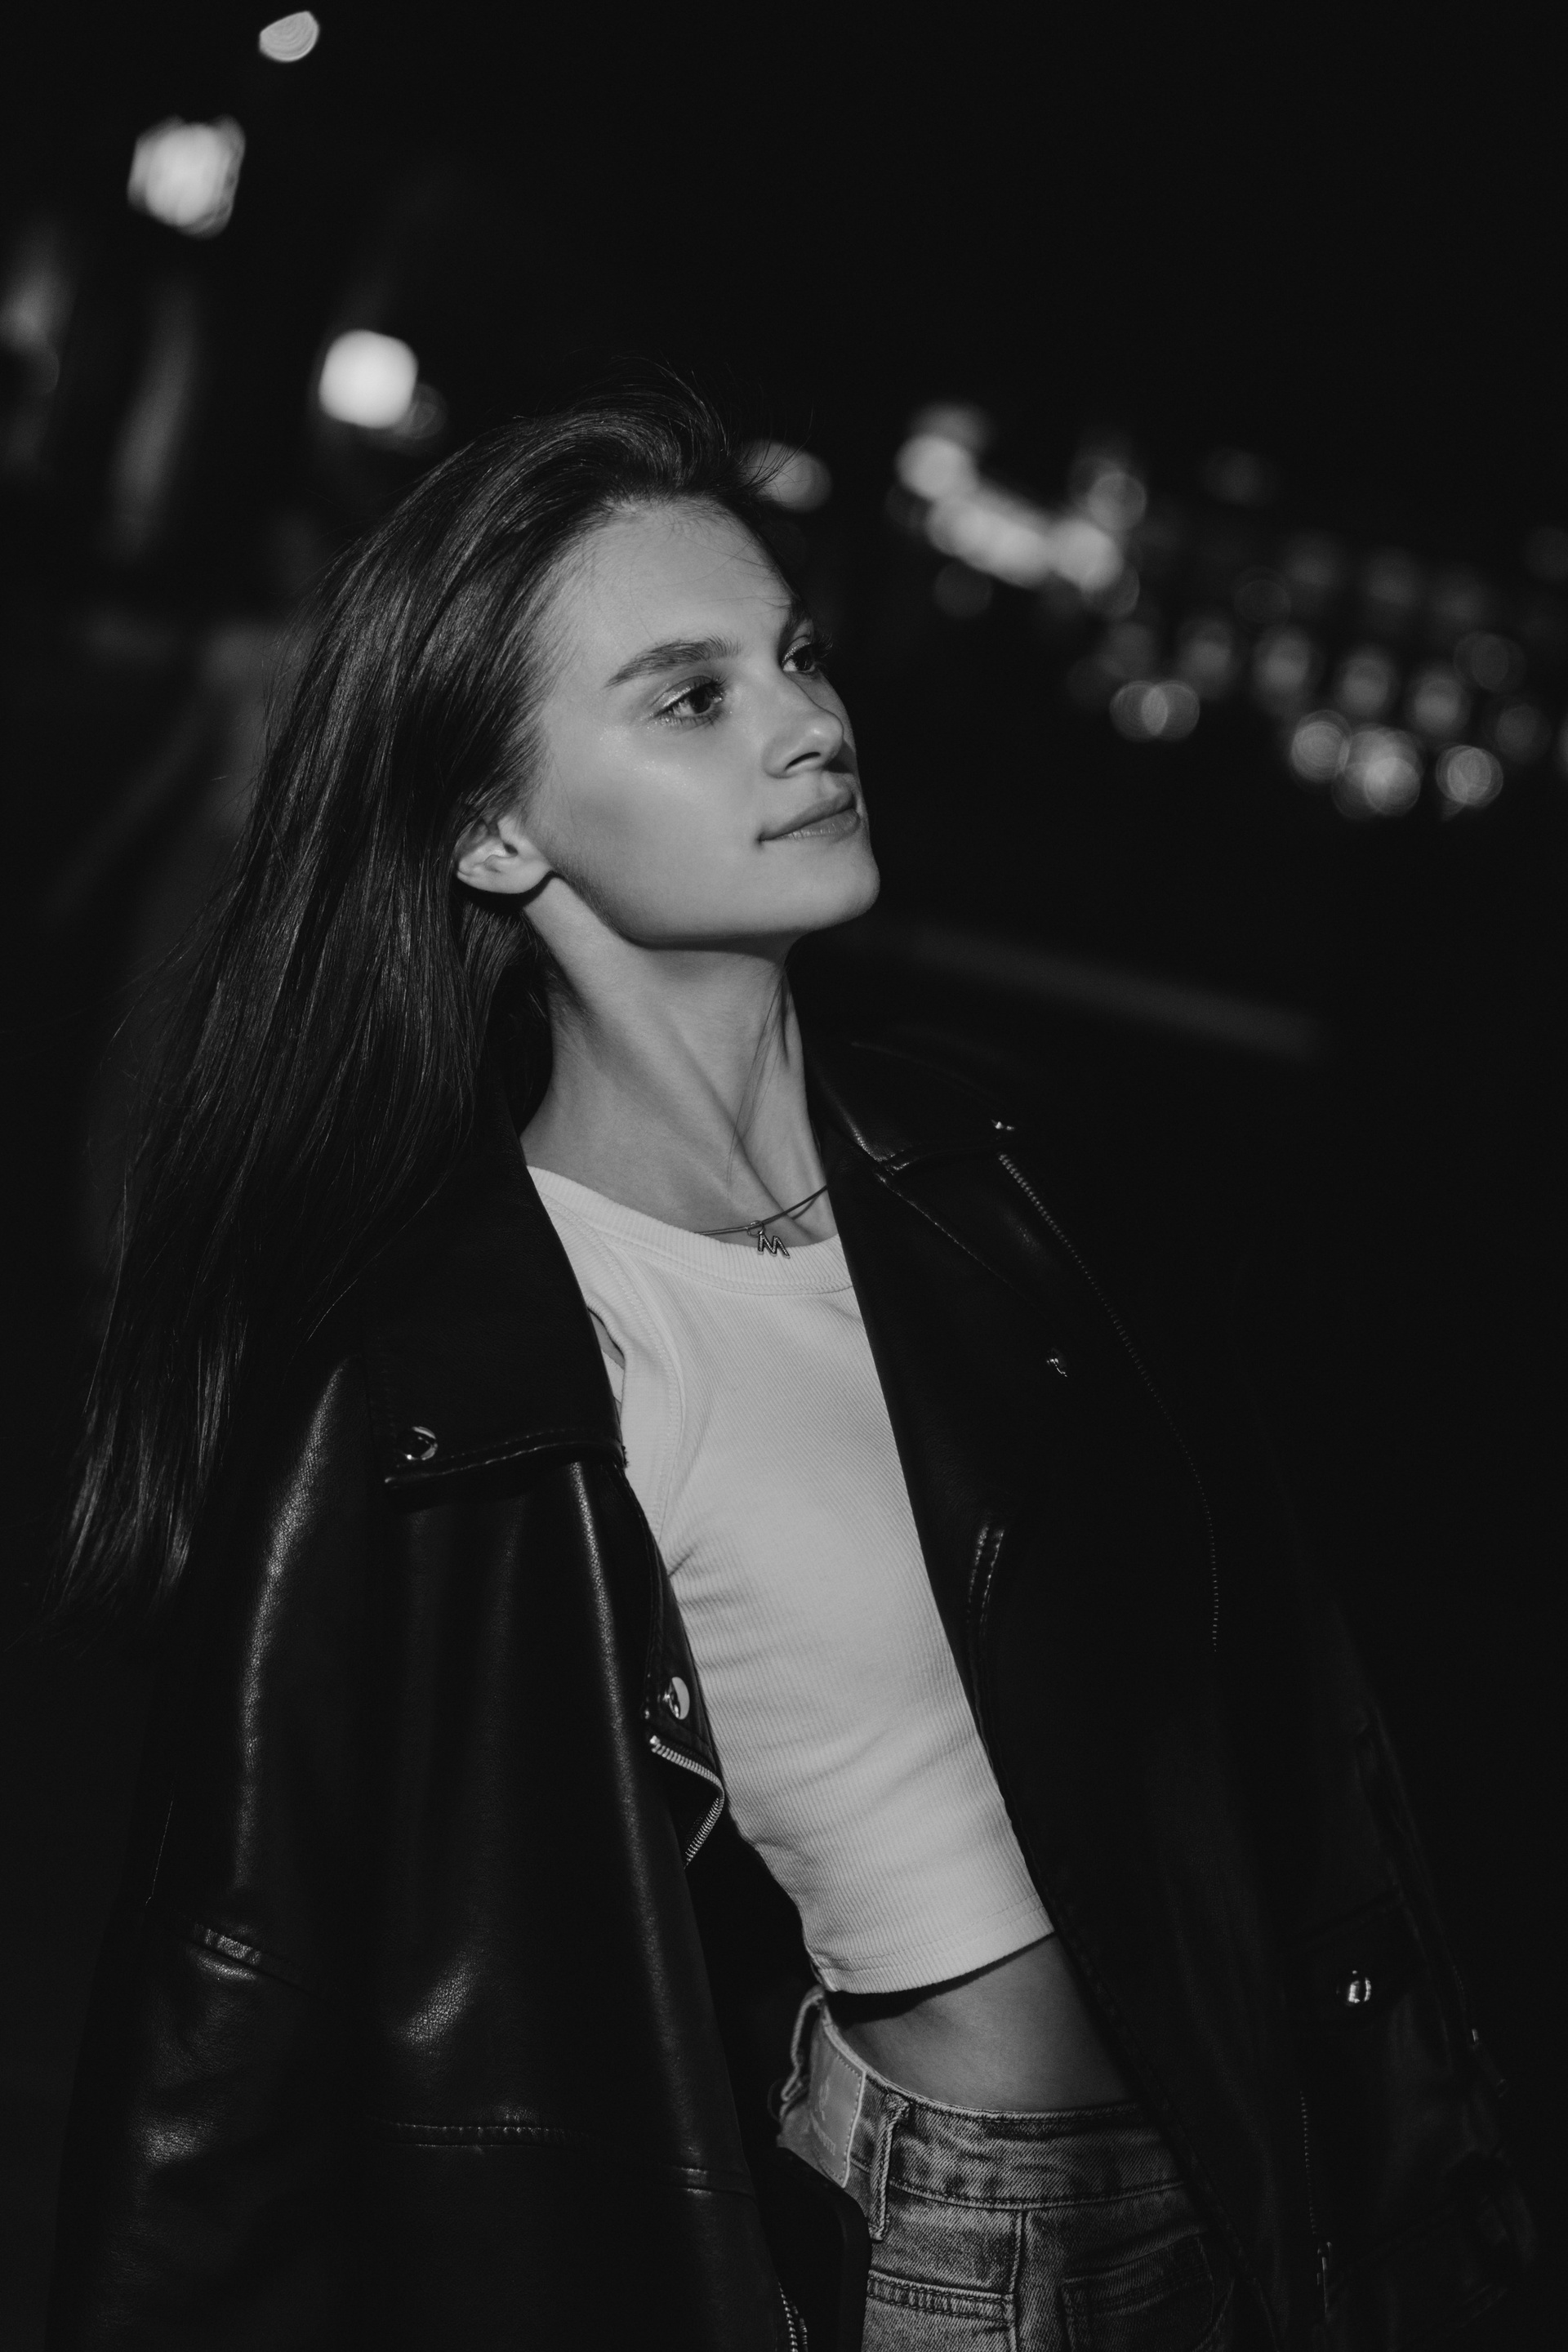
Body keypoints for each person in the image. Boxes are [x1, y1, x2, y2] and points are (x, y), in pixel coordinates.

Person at [47, 392, 1530, 2351]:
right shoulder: (461, 1368)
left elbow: (1288, 1751)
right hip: (963, 2241)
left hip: (1248, 2162)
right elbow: (240, 2007)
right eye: (691, 695)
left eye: (798, 656)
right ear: (494, 831)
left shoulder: (996, 1180)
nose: (810, 723)